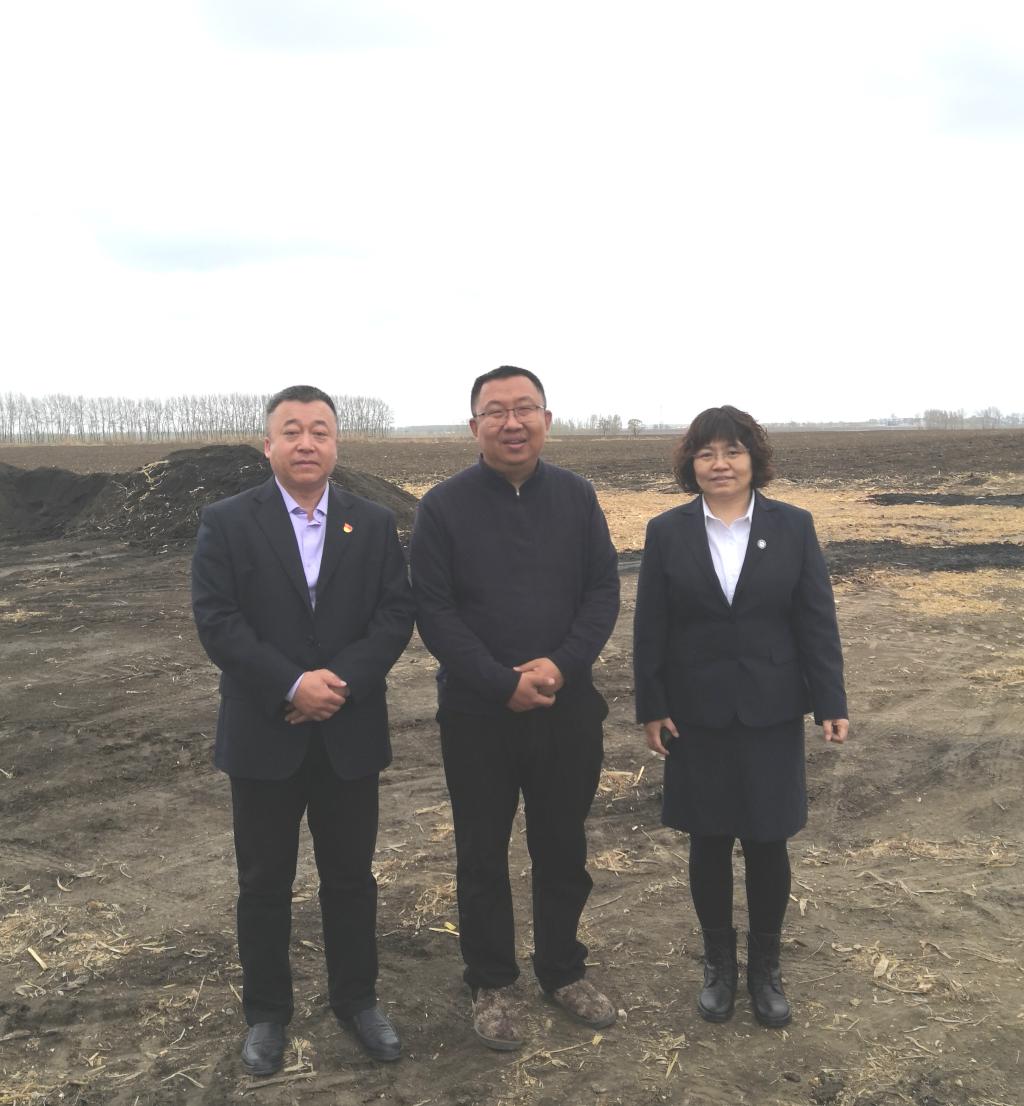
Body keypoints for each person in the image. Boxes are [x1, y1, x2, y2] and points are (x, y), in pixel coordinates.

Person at [191, 385, 415, 1074]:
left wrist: (335, 684)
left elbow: (394, 615)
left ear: (336, 444)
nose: (307, 442)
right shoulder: (228, 521)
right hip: (264, 734)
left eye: (320, 430)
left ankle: (357, 1000)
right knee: (263, 882)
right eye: (292, 430)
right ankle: (267, 1013)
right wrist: (292, 684)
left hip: (348, 732)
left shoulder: (372, 524)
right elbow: (218, 620)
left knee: (350, 878)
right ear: (269, 445)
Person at [410, 366, 620, 1050]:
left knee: (562, 846)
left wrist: (561, 665)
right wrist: (500, 682)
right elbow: (434, 611)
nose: (512, 422)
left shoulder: (577, 497)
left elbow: (602, 592)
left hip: (567, 707)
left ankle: (563, 969)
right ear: (474, 427)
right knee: (481, 854)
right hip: (478, 715)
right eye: (495, 411)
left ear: (546, 420)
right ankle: (492, 981)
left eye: (524, 408)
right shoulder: (443, 507)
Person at [632, 405, 849, 1029]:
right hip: (695, 713)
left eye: (732, 451)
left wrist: (830, 700)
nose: (719, 464)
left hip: (770, 709)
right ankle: (719, 967)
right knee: (708, 839)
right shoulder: (667, 531)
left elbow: (815, 619)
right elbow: (651, 626)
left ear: (754, 460)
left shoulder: (793, 526)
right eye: (706, 454)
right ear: (691, 465)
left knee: (766, 838)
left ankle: (765, 971)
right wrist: (652, 706)